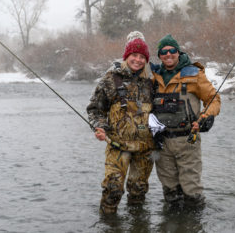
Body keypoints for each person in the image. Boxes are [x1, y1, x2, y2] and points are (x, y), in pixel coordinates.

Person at [87, 31, 155, 215]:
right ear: (127, 56)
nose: (138, 60)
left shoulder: (151, 82)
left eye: (142, 57)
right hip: (117, 146)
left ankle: (138, 226)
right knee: (113, 190)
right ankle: (109, 224)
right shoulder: (111, 79)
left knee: (138, 191)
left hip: (145, 148)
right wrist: (100, 127)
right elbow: (94, 109)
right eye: (134, 55)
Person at [151, 34, 221, 208]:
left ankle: (193, 223)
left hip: (188, 140)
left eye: (172, 50)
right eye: (164, 52)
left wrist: (206, 117)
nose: (168, 54)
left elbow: (214, 99)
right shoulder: (154, 77)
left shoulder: (195, 74)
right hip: (162, 143)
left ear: (178, 51)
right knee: (170, 192)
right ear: (159, 55)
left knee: (192, 192)